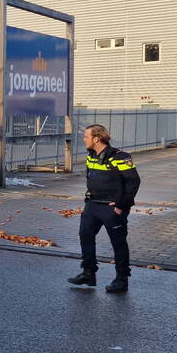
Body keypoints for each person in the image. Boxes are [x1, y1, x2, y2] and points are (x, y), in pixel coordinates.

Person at [68, 124, 141, 293]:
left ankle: (121, 280)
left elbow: (134, 182)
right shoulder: (91, 155)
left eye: (86, 136)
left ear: (96, 138)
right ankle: (88, 273)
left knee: (118, 243)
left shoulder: (120, 157)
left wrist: (122, 206)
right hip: (92, 205)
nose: (84, 139)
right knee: (85, 235)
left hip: (112, 208)